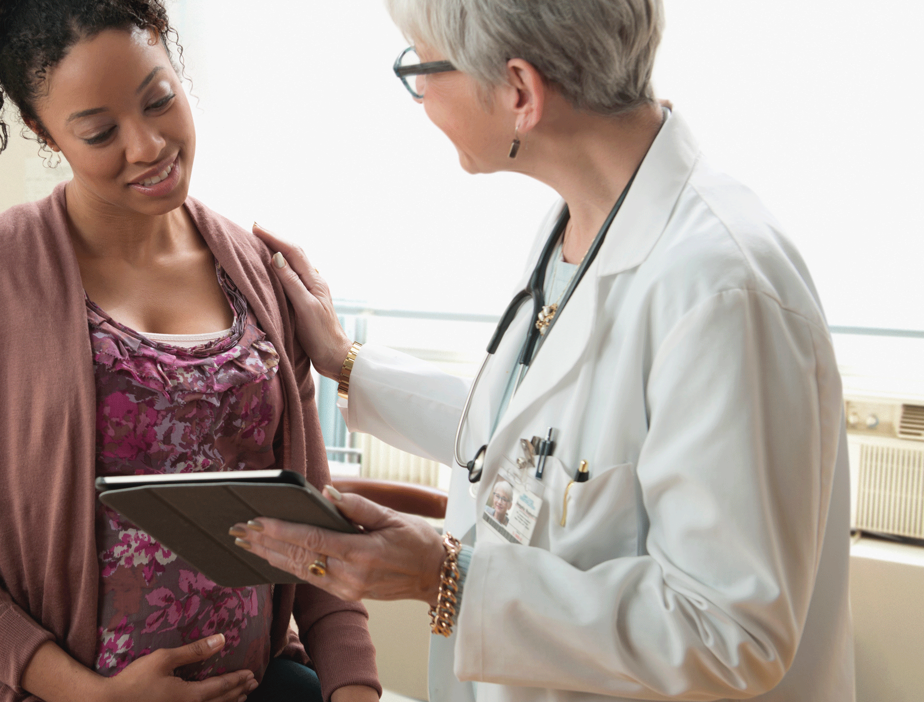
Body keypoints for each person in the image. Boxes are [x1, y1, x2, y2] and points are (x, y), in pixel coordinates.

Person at [232, 0, 855, 700]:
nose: (421, 96)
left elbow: (729, 632)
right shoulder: (584, 225)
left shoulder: (721, 291)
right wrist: (347, 362)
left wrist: (444, 579)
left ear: (520, 92)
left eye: (422, 66)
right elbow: (537, 445)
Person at [0, 2, 381, 701]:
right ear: (41, 130)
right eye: (99, 132)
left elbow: (312, 523)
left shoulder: (258, 272)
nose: (147, 146)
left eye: (159, 101)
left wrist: (353, 685)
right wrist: (87, 693)